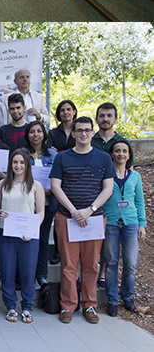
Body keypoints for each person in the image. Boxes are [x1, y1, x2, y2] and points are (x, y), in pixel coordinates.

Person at [50, 115, 115, 324]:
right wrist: (74, 211)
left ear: (93, 133)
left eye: (87, 130)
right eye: (79, 130)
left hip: (94, 219)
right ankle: (68, 306)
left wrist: (89, 210)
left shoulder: (104, 158)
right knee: (68, 265)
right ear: (73, 133)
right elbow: (55, 186)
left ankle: (89, 305)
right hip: (66, 217)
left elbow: (108, 188)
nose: (83, 134)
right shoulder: (62, 158)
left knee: (90, 265)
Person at [0, 148, 46, 324]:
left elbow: (40, 212)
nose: (18, 165)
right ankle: (10, 306)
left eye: (22, 162)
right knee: (7, 272)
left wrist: (31, 231)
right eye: (15, 162)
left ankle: (26, 307)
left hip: (28, 236)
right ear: (10, 164)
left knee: (27, 272)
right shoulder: (2, 184)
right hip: (5, 234)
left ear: (27, 165)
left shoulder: (35, 185)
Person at [104, 139, 147, 316]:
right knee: (111, 262)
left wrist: (142, 224)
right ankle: (112, 300)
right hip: (111, 223)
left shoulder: (135, 176)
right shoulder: (106, 175)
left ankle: (127, 297)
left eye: (124, 151)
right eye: (117, 151)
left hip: (130, 223)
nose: (121, 154)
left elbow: (139, 201)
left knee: (130, 263)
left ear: (129, 155)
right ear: (112, 154)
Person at [24, 121, 57, 287]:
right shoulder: (22, 154)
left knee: (43, 239)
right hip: (26, 203)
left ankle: (41, 275)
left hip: (48, 202)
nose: (35, 135)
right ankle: (26, 274)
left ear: (44, 134)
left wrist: (49, 190)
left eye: (38, 131)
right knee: (26, 240)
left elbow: (59, 180)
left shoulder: (53, 155)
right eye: (31, 132)